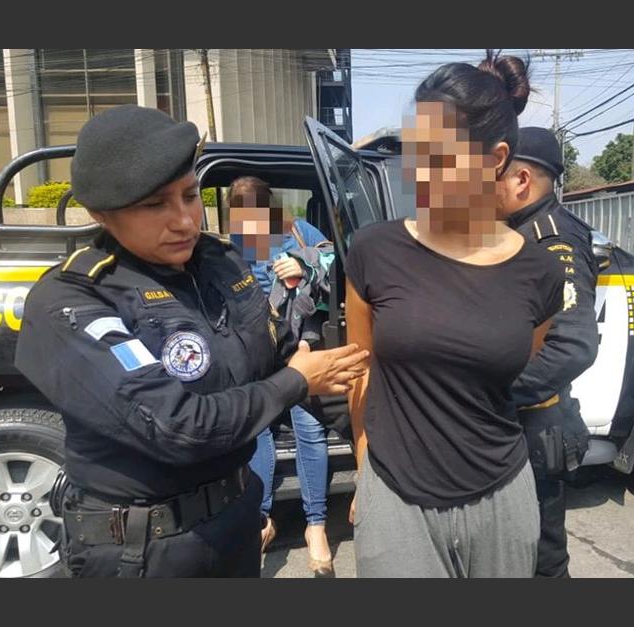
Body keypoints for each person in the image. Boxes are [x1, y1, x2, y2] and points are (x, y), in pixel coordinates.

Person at [13, 105, 367, 578]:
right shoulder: (73, 299)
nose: (183, 220)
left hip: (234, 525)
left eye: (189, 195)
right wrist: (296, 382)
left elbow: (284, 355)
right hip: (143, 550)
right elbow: (177, 427)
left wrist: (380, 443)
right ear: (102, 214)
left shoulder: (219, 263)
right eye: (155, 205)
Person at [344, 52, 565, 578]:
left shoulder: (539, 273)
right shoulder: (373, 252)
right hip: (395, 497)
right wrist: (364, 463)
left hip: (503, 498)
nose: (418, 171)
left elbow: (512, 366)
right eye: (414, 150)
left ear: (495, 158)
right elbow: (360, 369)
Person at [497, 126, 598, 578]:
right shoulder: (516, 231)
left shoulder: (551, 238)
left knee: (541, 560)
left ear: (521, 179)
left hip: (534, 424)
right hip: (515, 424)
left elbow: (573, 345)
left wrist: (495, 395)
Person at [228, 176, 336, 576]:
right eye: (242, 216)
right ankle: (261, 520)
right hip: (258, 349)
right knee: (259, 430)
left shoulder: (299, 230)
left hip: (301, 345)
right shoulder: (236, 244)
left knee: (309, 428)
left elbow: (337, 265)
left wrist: (303, 265)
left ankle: (316, 525)